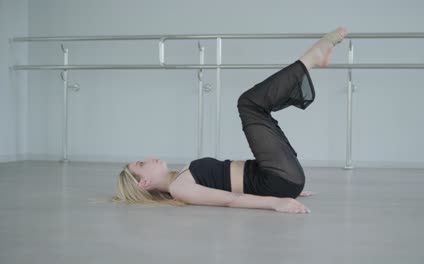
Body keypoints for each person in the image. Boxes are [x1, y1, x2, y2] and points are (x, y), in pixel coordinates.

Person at [113, 27, 348, 214]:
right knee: (249, 104)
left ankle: (308, 64)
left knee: (258, 110)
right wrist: (276, 202)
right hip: (278, 181)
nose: (148, 159)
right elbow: (230, 199)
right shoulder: (179, 188)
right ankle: (310, 59)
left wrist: (289, 191)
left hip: (278, 178)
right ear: (143, 183)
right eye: (142, 165)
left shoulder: (181, 176)